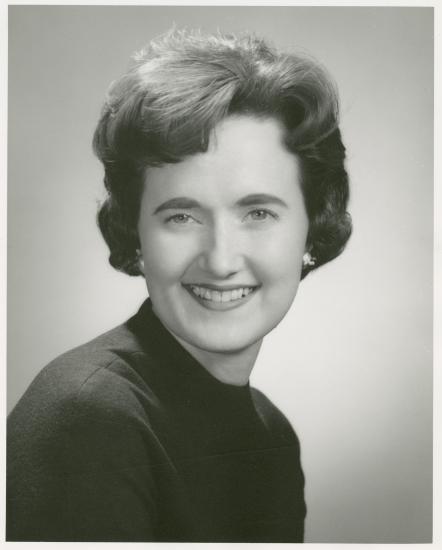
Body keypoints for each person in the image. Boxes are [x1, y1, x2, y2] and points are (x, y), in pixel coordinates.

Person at [7, 29, 352, 542]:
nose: (220, 259)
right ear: (136, 235)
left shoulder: (271, 437)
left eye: (258, 212)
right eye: (182, 216)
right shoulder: (90, 418)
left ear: (311, 229)